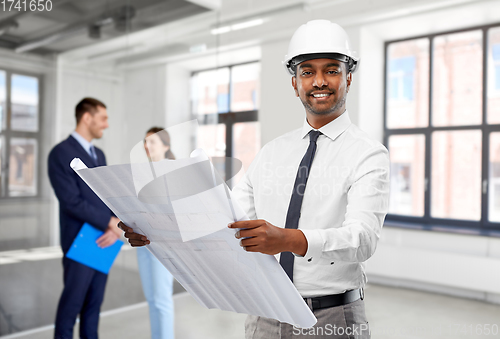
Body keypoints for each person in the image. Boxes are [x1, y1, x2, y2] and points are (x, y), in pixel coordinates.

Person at [120, 20, 389, 339]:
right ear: (294, 82)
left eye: (331, 70)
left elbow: (362, 239)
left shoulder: (368, 153)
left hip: (331, 317)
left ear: (349, 77)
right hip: (265, 312)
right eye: (307, 71)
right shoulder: (271, 153)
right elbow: (226, 220)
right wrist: (157, 232)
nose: (319, 81)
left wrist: (290, 240)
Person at [48, 97, 121, 339]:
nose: (106, 125)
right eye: (103, 118)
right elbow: (71, 202)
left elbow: (109, 196)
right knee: (72, 307)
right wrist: (110, 222)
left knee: (93, 307)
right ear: (86, 118)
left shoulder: (99, 154)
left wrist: (114, 227)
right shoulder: (60, 153)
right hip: (79, 240)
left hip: (105, 239)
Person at [137, 127, 175, 339]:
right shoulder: (144, 172)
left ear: (166, 146)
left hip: (163, 243)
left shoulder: (173, 172)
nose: (146, 146)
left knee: (161, 300)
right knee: (152, 299)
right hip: (143, 242)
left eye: (152, 142)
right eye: (145, 142)